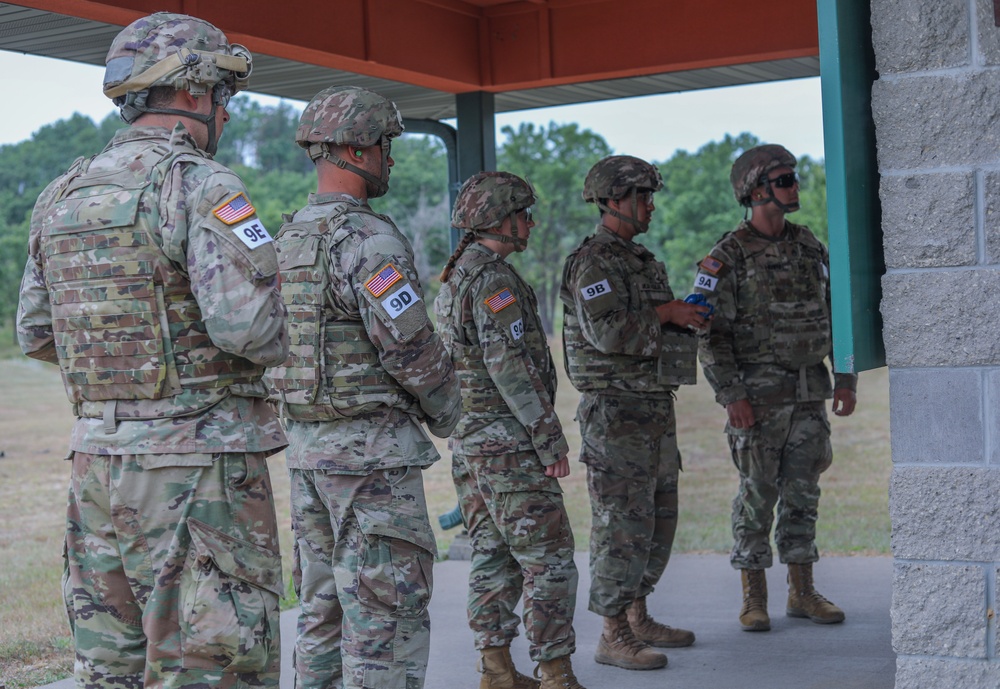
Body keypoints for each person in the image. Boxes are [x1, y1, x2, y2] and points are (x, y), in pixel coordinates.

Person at [16, 12, 288, 688]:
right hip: (199, 473)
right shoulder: (200, 185)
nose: (226, 111)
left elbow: (35, 332)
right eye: (224, 94)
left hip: (97, 469)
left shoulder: (61, 195)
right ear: (197, 94)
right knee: (212, 665)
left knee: (109, 669)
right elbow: (247, 328)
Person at [264, 85, 461, 689]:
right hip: (372, 463)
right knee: (386, 618)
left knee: (320, 615)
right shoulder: (368, 241)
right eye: (384, 144)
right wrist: (449, 411)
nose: (390, 158)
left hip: (307, 459)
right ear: (353, 148)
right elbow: (411, 349)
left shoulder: (284, 240)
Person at [691, 144, 857, 632]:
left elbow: (834, 316)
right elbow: (709, 333)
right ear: (756, 191)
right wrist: (731, 395)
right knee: (757, 494)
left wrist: (844, 377)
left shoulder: (810, 247)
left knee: (804, 492)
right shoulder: (725, 258)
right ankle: (753, 597)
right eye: (784, 180)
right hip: (756, 401)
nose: (794, 187)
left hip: (809, 393)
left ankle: (802, 591)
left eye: (793, 178)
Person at [435, 171, 585, 689]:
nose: (530, 223)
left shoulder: (458, 277)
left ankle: (497, 670)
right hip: (508, 448)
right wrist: (548, 439)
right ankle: (555, 674)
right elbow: (510, 369)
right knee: (550, 561)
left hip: (472, 446)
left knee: (493, 556)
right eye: (522, 214)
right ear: (496, 221)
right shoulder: (492, 280)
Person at [559, 155, 708, 672]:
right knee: (621, 524)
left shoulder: (639, 260)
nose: (650, 206)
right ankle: (613, 633)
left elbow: (647, 329)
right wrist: (666, 313)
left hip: (650, 408)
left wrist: (685, 320)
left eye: (651, 195)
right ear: (614, 200)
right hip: (615, 413)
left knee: (656, 520)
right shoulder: (594, 261)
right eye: (642, 196)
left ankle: (639, 616)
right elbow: (606, 333)